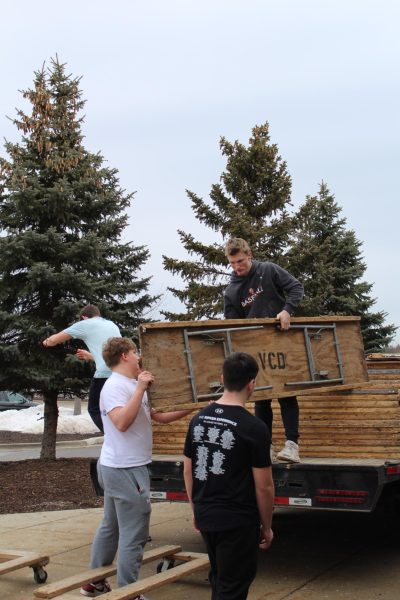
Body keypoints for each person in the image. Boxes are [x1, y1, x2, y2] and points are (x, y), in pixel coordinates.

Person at [80, 336, 195, 598]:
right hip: (125, 469)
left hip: (121, 467)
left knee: (111, 526)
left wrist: (193, 407)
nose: (139, 355)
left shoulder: (131, 384)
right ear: (124, 356)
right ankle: (130, 593)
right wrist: (140, 389)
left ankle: (93, 581)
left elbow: (159, 417)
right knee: (135, 533)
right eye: (135, 351)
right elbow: (121, 422)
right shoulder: (114, 387)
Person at [183, 351, 274, 600]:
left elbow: (188, 470)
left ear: (222, 378)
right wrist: (266, 526)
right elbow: (264, 486)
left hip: (206, 514)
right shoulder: (254, 427)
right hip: (237, 521)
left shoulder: (198, 419)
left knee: (220, 580)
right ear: (252, 383)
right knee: (232, 587)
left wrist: (196, 509)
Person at [223, 238, 304, 463]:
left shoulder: (268, 270)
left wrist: (287, 310)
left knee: (286, 392)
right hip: (254, 346)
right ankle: (265, 446)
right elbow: (232, 324)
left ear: (249, 255)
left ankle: (292, 446)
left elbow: (296, 288)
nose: (237, 267)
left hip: (280, 340)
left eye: (240, 261)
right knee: (262, 397)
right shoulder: (231, 290)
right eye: (232, 263)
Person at [42, 304, 120, 432]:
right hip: (120, 372)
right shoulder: (112, 325)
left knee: (94, 408)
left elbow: (53, 340)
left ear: (84, 317)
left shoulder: (85, 324)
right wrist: (90, 356)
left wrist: (44, 342)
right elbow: (111, 355)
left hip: (104, 375)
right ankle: (118, 431)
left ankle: (114, 434)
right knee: (113, 407)